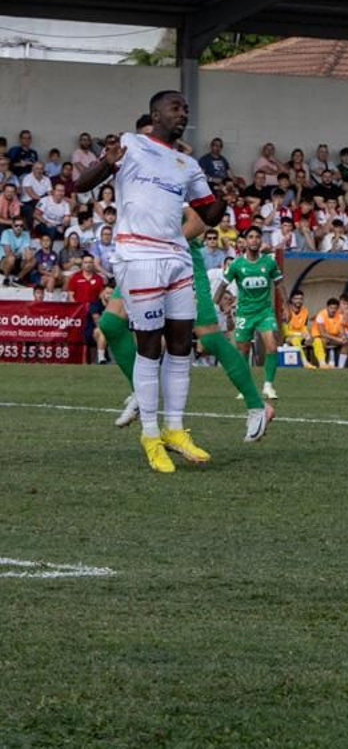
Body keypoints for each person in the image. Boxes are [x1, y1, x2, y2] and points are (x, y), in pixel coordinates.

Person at [73, 91, 230, 472]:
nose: (183, 114)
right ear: (155, 114)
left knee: (180, 344)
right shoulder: (130, 144)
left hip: (177, 257)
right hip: (139, 256)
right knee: (149, 346)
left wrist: (223, 198)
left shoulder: (188, 164)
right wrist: (107, 162)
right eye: (175, 108)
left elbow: (209, 214)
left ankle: (174, 429)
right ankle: (150, 434)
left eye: (186, 109)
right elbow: (81, 185)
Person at [222, 226, 283, 400]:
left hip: (264, 312)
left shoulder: (269, 262)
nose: (254, 240)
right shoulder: (237, 264)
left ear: (261, 240)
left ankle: (268, 386)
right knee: (243, 351)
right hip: (245, 313)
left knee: (272, 346)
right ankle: (245, 388)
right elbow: (223, 285)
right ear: (246, 241)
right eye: (251, 237)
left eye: (257, 237)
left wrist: (285, 306)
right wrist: (217, 304)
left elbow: (279, 284)